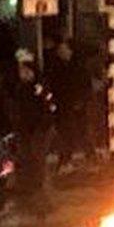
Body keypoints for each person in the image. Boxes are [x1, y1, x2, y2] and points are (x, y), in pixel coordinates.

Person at [9, 50, 57, 216]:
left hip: (39, 131)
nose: (22, 74)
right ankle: (29, 195)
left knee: (38, 163)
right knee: (26, 160)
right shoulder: (19, 88)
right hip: (26, 131)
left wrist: (41, 126)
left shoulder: (39, 87)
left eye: (25, 70)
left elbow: (48, 108)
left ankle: (43, 200)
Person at [46, 40, 90, 172]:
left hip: (75, 106)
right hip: (63, 106)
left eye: (64, 49)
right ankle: (65, 160)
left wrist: (81, 101)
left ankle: (84, 156)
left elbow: (85, 86)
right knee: (65, 134)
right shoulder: (56, 68)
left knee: (78, 132)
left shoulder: (78, 67)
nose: (61, 52)